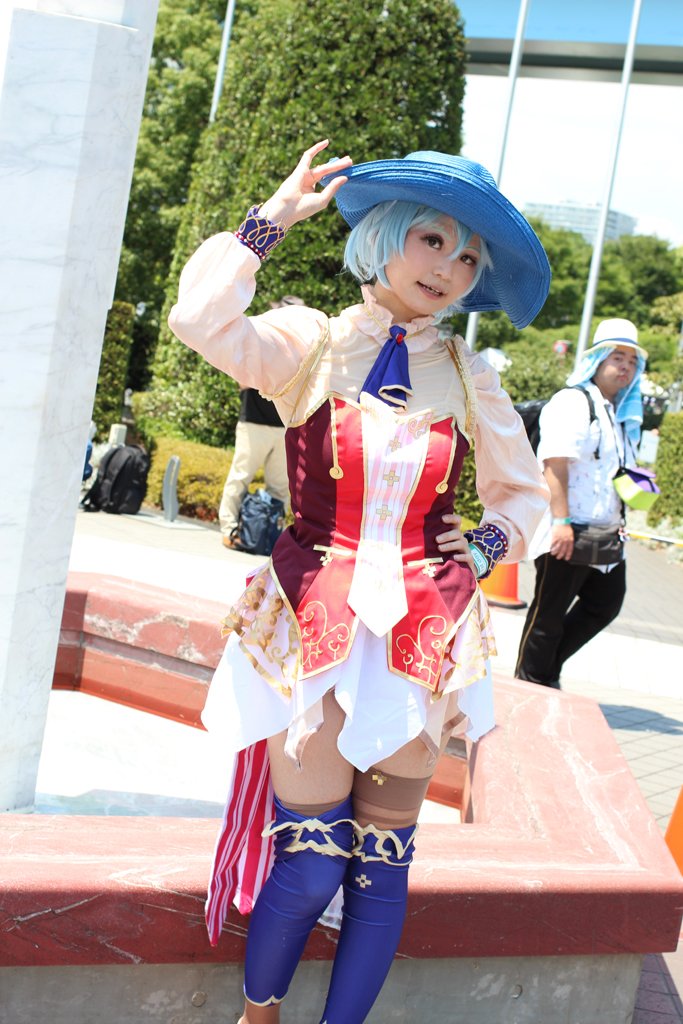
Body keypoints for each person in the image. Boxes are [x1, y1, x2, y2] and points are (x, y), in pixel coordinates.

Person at [168, 139, 550, 1024]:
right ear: (383, 237)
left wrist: (484, 545)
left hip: (424, 633)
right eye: (432, 239)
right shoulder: (310, 341)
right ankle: (258, 1015)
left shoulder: (469, 375)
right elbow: (198, 320)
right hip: (313, 624)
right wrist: (271, 221)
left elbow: (524, 494)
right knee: (308, 867)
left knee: (383, 872)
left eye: (468, 259)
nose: (448, 268)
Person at [515, 318, 647, 688]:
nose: (625, 367)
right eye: (618, 358)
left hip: (605, 532)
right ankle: (530, 682)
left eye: (632, 361)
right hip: (568, 528)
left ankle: (545, 671)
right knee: (548, 615)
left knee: (605, 603)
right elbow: (554, 463)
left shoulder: (618, 411)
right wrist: (561, 522)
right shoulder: (573, 401)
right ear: (598, 359)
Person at [219, 297, 302, 548]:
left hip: (284, 425)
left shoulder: (302, 349)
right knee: (240, 476)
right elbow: (242, 381)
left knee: (280, 486)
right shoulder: (259, 340)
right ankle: (229, 529)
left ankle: (271, 533)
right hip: (253, 422)